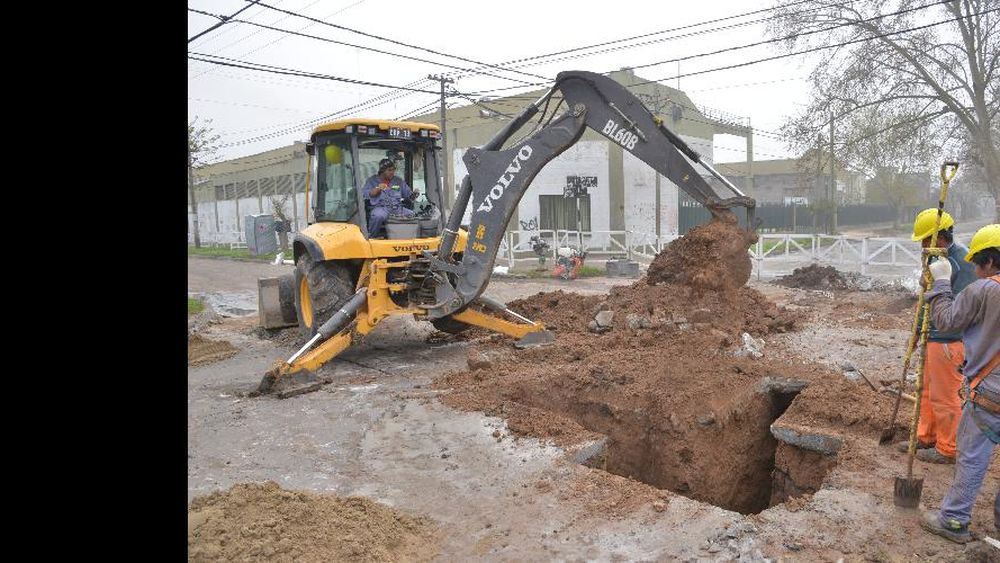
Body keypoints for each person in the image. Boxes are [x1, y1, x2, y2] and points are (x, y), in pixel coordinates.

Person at [919, 223, 1000, 543]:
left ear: (990, 262)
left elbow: (948, 320)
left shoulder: (986, 290)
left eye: (978, 263)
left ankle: (953, 520)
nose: (976, 270)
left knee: (972, 457)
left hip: (990, 391)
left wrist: (940, 283)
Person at [896, 209, 977, 464]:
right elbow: (926, 302)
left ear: (940, 237)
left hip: (948, 339)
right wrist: (918, 332)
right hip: (934, 336)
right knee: (927, 391)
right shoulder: (939, 258)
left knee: (946, 396)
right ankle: (926, 436)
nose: (921, 246)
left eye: (925, 240)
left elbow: (955, 308)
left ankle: (948, 448)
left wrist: (932, 281)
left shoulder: (958, 262)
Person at [363, 158, 419, 238]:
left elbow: (409, 196)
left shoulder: (398, 181)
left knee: (413, 215)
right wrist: (378, 189)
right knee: (377, 216)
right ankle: (372, 237)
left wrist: (414, 194)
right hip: (381, 207)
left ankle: (410, 237)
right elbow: (367, 194)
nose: (392, 172)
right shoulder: (372, 181)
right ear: (382, 171)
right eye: (389, 170)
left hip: (397, 208)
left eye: (393, 170)